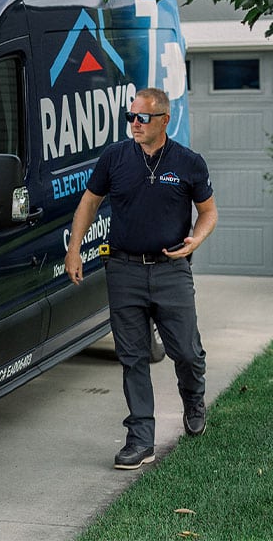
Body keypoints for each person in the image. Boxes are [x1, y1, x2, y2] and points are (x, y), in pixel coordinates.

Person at [64, 87, 218, 470]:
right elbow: (89, 202)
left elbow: (209, 212)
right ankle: (140, 438)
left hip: (171, 270)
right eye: (130, 117)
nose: (134, 123)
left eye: (142, 118)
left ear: (164, 120)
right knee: (132, 357)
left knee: (186, 350)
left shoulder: (188, 163)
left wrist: (195, 240)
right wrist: (74, 248)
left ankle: (193, 399)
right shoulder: (115, 158)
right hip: (124, 270)